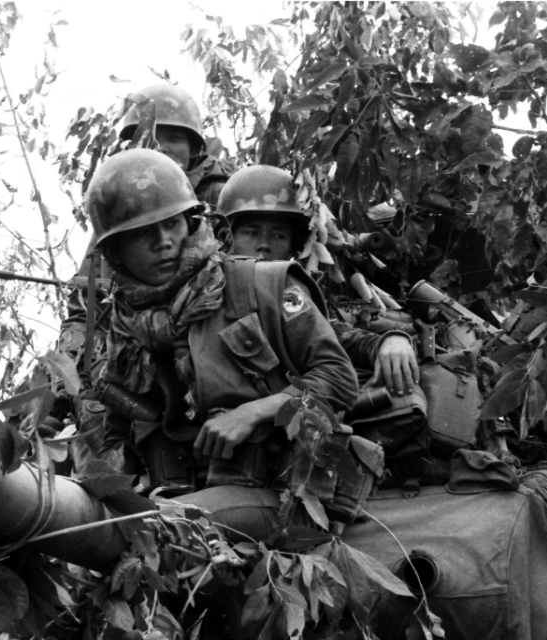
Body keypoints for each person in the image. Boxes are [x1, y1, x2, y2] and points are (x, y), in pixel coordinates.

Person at [84, 149, 359, 491]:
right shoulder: (126, 325)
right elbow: (117, 434)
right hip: (180, 495)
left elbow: (340, 378)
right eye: (143, 233)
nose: (164, 242)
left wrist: (256, 411)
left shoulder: (262, 284)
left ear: (191, 222)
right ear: (115, 251)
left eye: (171, 223)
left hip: (276, 490)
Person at [53, 83, 231, 472]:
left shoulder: (225, 194)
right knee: (95, 402)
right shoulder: (118, 208)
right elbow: (84, 309)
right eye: (148, 137)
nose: (160, 147)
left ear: (195, 146)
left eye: (172, 137)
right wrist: (71, 377)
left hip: (209, 335)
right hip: (134, 339)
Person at [216, 164, 420, 398]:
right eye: (251, 233)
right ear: (225, 237)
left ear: (293, 246)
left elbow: (327, 334)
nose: (264, 244)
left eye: (278, 235)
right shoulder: (204, 289)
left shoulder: (286, 293)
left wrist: (389, 341)